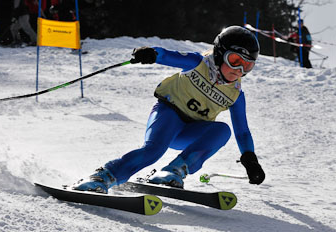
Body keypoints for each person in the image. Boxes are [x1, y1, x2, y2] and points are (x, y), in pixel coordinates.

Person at [73, 26, 266, 193]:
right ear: (219, 53)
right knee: (153, 151)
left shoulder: (235, 94)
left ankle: (173, 171)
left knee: (223, 130)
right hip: (169, 115)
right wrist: (151, 53)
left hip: (190, 131)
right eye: (235, 60)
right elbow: (167, 55)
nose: (239, 70)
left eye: (247, 66)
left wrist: (250, 159)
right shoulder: (198, 64)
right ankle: (103, 177)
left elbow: (242, 132)